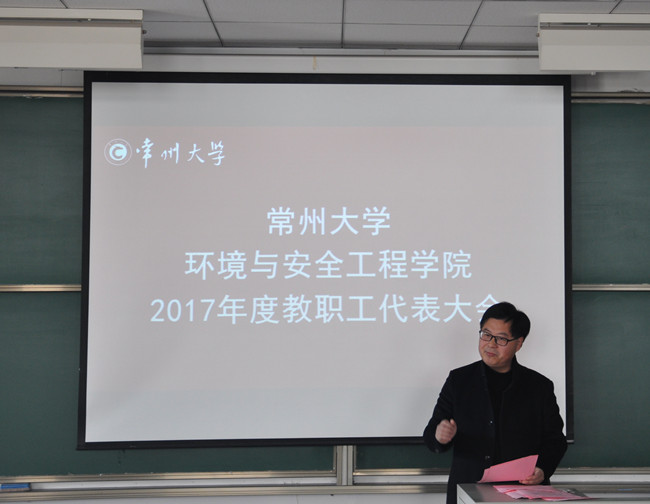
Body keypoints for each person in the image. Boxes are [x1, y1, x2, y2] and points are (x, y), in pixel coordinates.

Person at [423, 302, 567, 504]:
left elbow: (555, 440)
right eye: (486, 334)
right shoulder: (459, 380)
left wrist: (542, 469)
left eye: (501, 339)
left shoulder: (539, 386)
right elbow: (432, 433)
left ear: (519, 343)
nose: (490, 344)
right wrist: (440, 435)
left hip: (522, 493)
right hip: (468, 493)